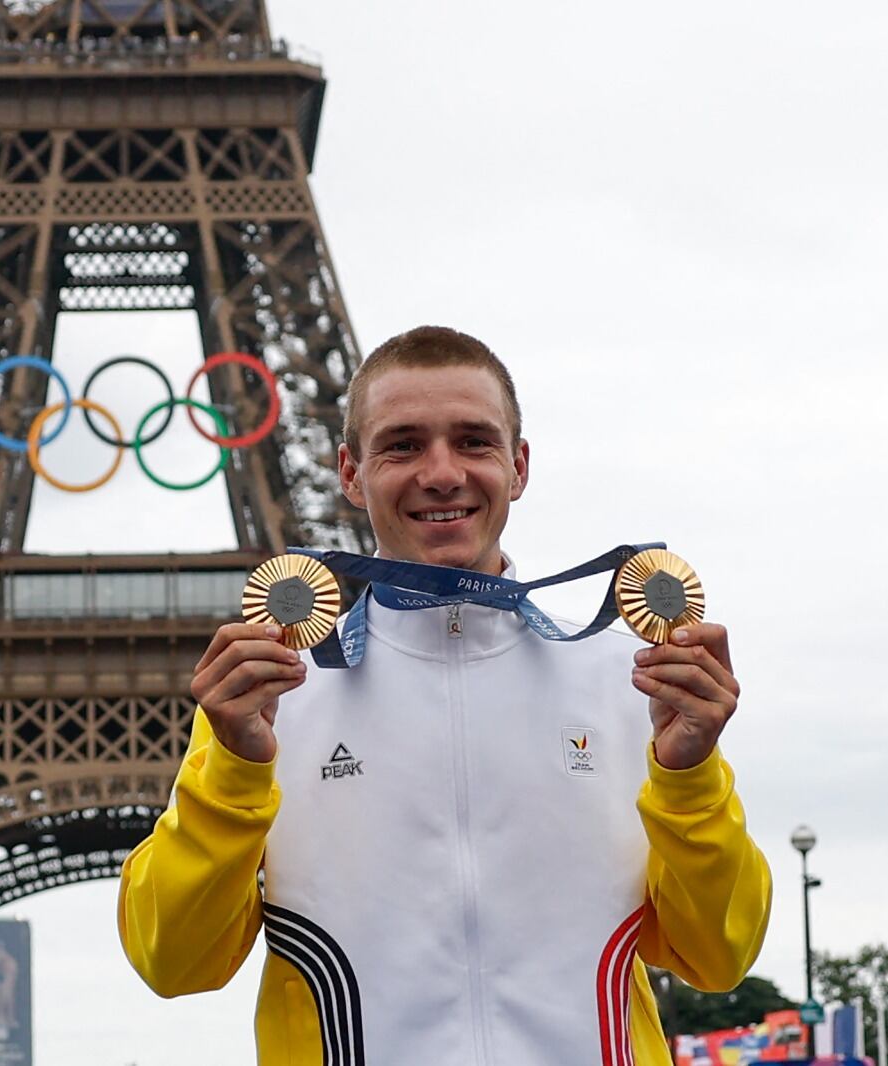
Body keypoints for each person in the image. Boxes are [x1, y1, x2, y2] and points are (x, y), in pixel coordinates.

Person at [117, 326, 771, 1065]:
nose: (441, 473)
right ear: (350, 473)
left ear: (518, 466)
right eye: (402, 446)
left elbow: (719, 956)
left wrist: (689, 780)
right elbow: (173, 963)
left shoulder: (632, 682)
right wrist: (234, 775)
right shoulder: (271, 702)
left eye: (473, 442)